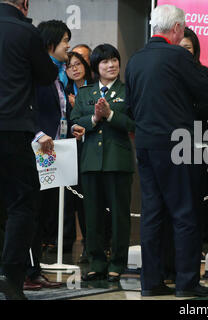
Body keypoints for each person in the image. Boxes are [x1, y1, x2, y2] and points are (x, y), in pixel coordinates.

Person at [125, 4, 208, 297]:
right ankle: (187, 283)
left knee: (152, 214)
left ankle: (151, 283)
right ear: (176, 29)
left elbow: (130, 107)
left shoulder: (135, 59)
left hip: (146, 144)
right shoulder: (178, 56)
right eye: (183, 29)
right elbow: (206, 90)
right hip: (177, 144)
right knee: (185, 212)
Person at [0, 0, 58, 300]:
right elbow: (48, 75)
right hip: (11, 128)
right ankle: (10, 276)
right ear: (24, 3)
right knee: (22, 205)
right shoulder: (24, 31)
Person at [25, 19, 85, 291]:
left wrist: (71, 126)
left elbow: (59, 113)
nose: (68, 47)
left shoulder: (55, 74)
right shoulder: (38, 72)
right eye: (64, 41)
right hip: (37, 150)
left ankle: (35, 269)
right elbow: (27, 108)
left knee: (45, 213)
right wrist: (38, 133)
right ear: (50, 44)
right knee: (31, 212)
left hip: (54, 150)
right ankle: (27, 270)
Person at [71, 44, 135, 282]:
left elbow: (134, 124)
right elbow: (74, 121)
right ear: (96, 67)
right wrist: (94, 118)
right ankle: (97, 262)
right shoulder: (85, 93)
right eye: (106, 62)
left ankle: (117, 263)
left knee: (119, 215)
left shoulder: (128, 91)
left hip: (118, 161)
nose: (112, 65)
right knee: (92, 214)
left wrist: (110, 115)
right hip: (90, 162)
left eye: (115, 60)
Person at [180, 27, 208, 251]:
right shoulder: (168, 72)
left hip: (197, 139)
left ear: (195, 50)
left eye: (187, 48)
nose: (183, 52)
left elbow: (206, 111)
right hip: (172, 139)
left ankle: (198, 244)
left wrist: (181, 108)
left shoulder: (205, 73)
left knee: (198, 192)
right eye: (179, 47)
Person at [63, 51, 92, 263]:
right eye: (70, 66)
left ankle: (96, 244)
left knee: (91, 198)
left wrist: (78, 107)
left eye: (78, 64)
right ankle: (74, 243)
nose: (74, 68)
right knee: (73, 199)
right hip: (69, 149)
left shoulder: (94, 88)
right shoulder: (63, 90)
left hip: (91, 147)